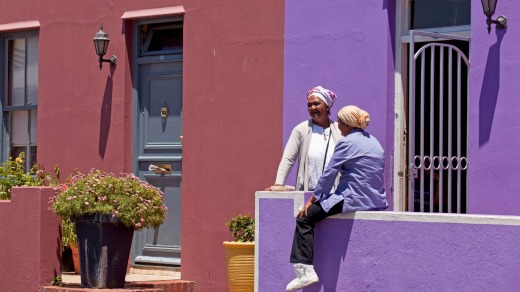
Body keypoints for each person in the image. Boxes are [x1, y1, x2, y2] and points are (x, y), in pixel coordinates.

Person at [286, 105, 388, 291]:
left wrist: (313, 199)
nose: (338, 125)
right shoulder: (375, 142)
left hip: (352, 198)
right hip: (375, 201)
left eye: (340, 121)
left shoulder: (346, 142)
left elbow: (329, 173)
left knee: (305, 217)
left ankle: (305, 271)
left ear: (347, 124)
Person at [267, 86, 342, 192]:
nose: (312, 108)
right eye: (309, 105)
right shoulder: (301, 130)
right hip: (309, 192)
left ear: (327, 106)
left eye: (316, 104)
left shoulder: (340, 130)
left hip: (335, 194)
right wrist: (278, 184)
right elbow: (288, 159)